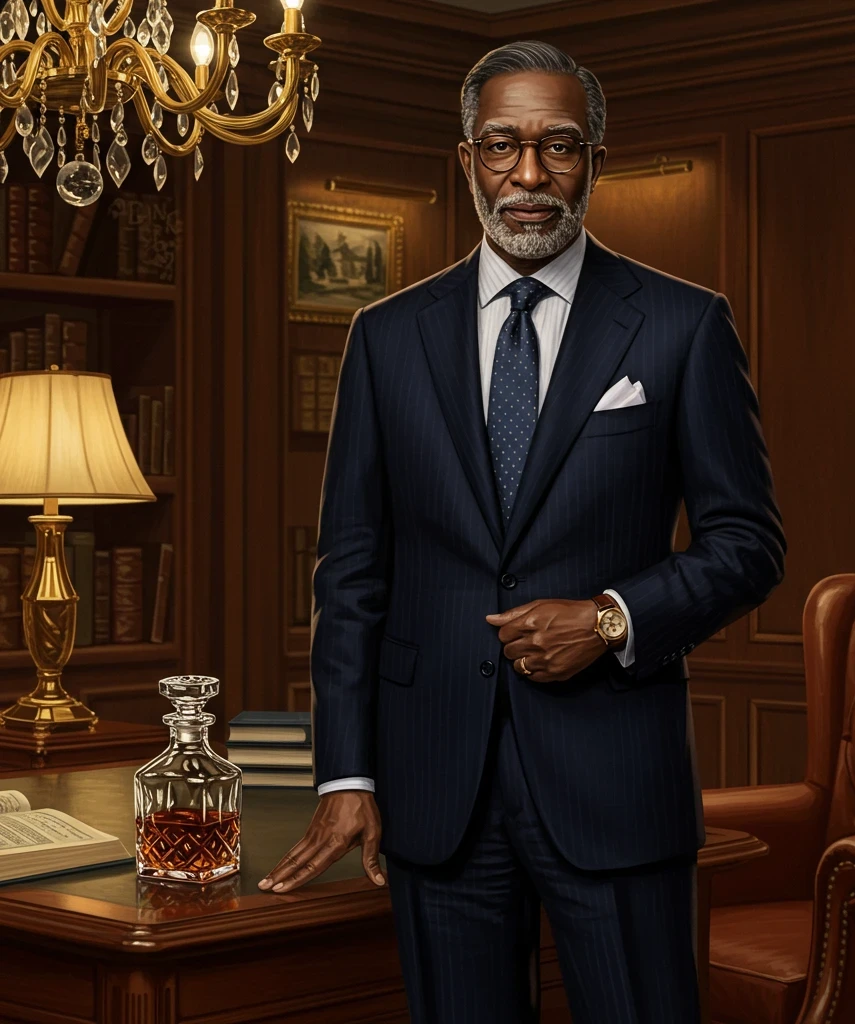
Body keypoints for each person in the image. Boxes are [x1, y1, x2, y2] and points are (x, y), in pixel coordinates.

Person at [259, 39, 786, 1024]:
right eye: (502, 146)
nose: (530, 175)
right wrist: (346, 770)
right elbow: (353, 571)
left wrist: (616, 616)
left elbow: (747, 541)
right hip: (433, 794)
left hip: (616, 787)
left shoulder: (682, 326)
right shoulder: (385, 335)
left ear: (594, 160)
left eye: (558, 147)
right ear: (466, 161)